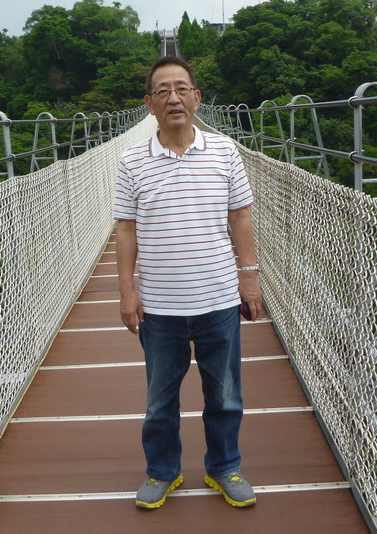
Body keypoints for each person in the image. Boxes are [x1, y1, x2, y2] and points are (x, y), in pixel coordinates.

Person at [113, 55, 263, 510]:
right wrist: (127, 291)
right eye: (163, 91)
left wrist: (249, 280)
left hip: (219, 298)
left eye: (182, 89)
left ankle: (224, 467)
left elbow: (241, 217)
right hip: (160, 306)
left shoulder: (225, 151)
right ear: (149, 104)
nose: (173, 98)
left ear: (197, 98)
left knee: (225, 394)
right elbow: (125, 229)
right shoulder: (131, 160)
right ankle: (163, 471)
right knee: (160, 400)